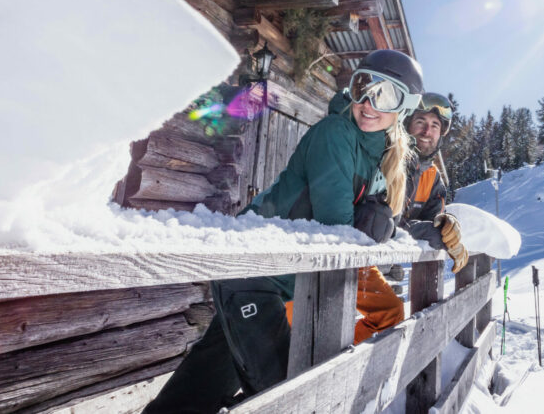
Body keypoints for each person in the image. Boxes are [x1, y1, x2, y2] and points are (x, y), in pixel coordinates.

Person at [143, 49, 423, 414]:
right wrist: (373, 230)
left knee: (195, 390)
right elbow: (336, 229)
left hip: (275, 278)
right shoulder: (336, 132)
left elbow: (376, 226)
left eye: (386, 95)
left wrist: (398, 230)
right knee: (286, 400)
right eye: (363, 87)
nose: (369, 102)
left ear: (405, 107)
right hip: (254, 270)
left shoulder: (381, 156)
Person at [401, 93, 468, 273]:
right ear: (407, 125)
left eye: (434, 125)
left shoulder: (433, 177)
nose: (426, 132)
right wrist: (430, 232)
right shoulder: (390, 162)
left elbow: (433, 222)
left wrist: (448, 227)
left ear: (441, 135)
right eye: (420, 122)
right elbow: (383, 224)